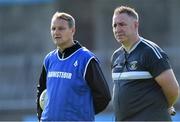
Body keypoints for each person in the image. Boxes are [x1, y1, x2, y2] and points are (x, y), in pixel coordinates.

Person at [37, 12, 111, 121]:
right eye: (53, 28)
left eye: (61, 28)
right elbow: (41, 90)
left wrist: (83, 113)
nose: (56, 32)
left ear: (72, 30)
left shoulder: (86, 59)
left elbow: (104, 96)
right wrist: (41, 117)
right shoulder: (49, 59)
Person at [111, 6, 179, 121]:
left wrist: (164, 107)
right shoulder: (116, 56)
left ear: (135, 25)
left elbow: (173, 89)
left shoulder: (149, 51)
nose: (117, 29)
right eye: (115, 25)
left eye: (122, 24)